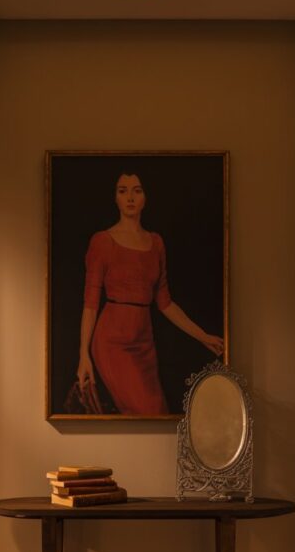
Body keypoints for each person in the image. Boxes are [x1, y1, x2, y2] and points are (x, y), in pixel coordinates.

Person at [77, 172, 224, 415]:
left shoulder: (156, 243)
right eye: (123, 191)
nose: (130, 197)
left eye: (137, 190)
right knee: (145, 411)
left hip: (145, 343)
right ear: (115, 198)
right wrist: (83, 354)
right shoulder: (102, 241)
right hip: (111, 344)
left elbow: (165, 303)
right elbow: (90, 304)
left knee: (157, 412)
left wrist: (203, 336)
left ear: (146, 197)